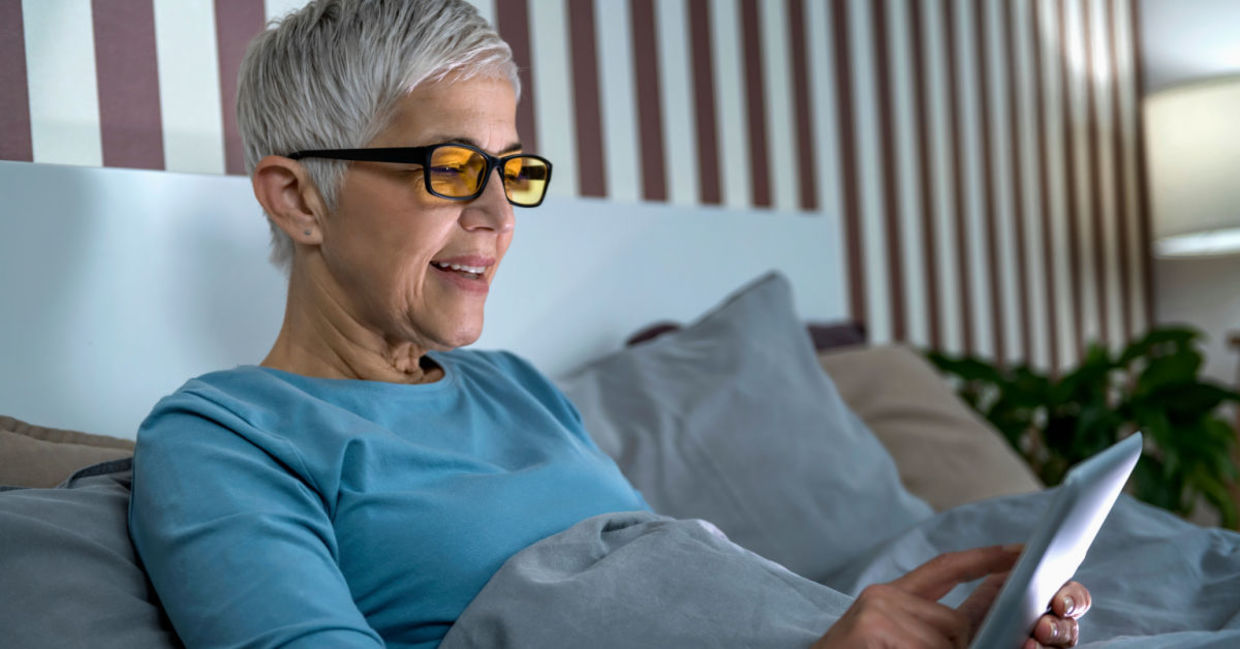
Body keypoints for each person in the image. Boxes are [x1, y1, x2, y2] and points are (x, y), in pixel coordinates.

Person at [127, 1, 1089, 648]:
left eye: (512, 170)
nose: (500, 215)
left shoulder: (517, 386)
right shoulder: (228, 436)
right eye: (453, 168)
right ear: (297, 199)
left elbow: (682, 593)